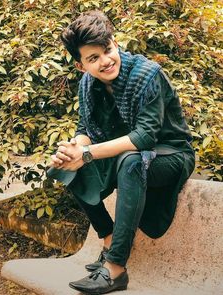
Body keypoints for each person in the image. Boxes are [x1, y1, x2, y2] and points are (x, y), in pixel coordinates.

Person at [48, 10, 195, 294]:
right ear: (81, 66)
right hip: (131, 155)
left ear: (115, 42)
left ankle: (115, 269)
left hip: (172, 155)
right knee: (64, 166)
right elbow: (85, 127)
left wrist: (87, 153)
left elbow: (144, 137)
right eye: (93, 58)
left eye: (107, 50)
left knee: (130, 159)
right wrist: (74, 148)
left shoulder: (147, 73)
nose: (105, 61)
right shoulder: (87, 84)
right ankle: (108, 238)